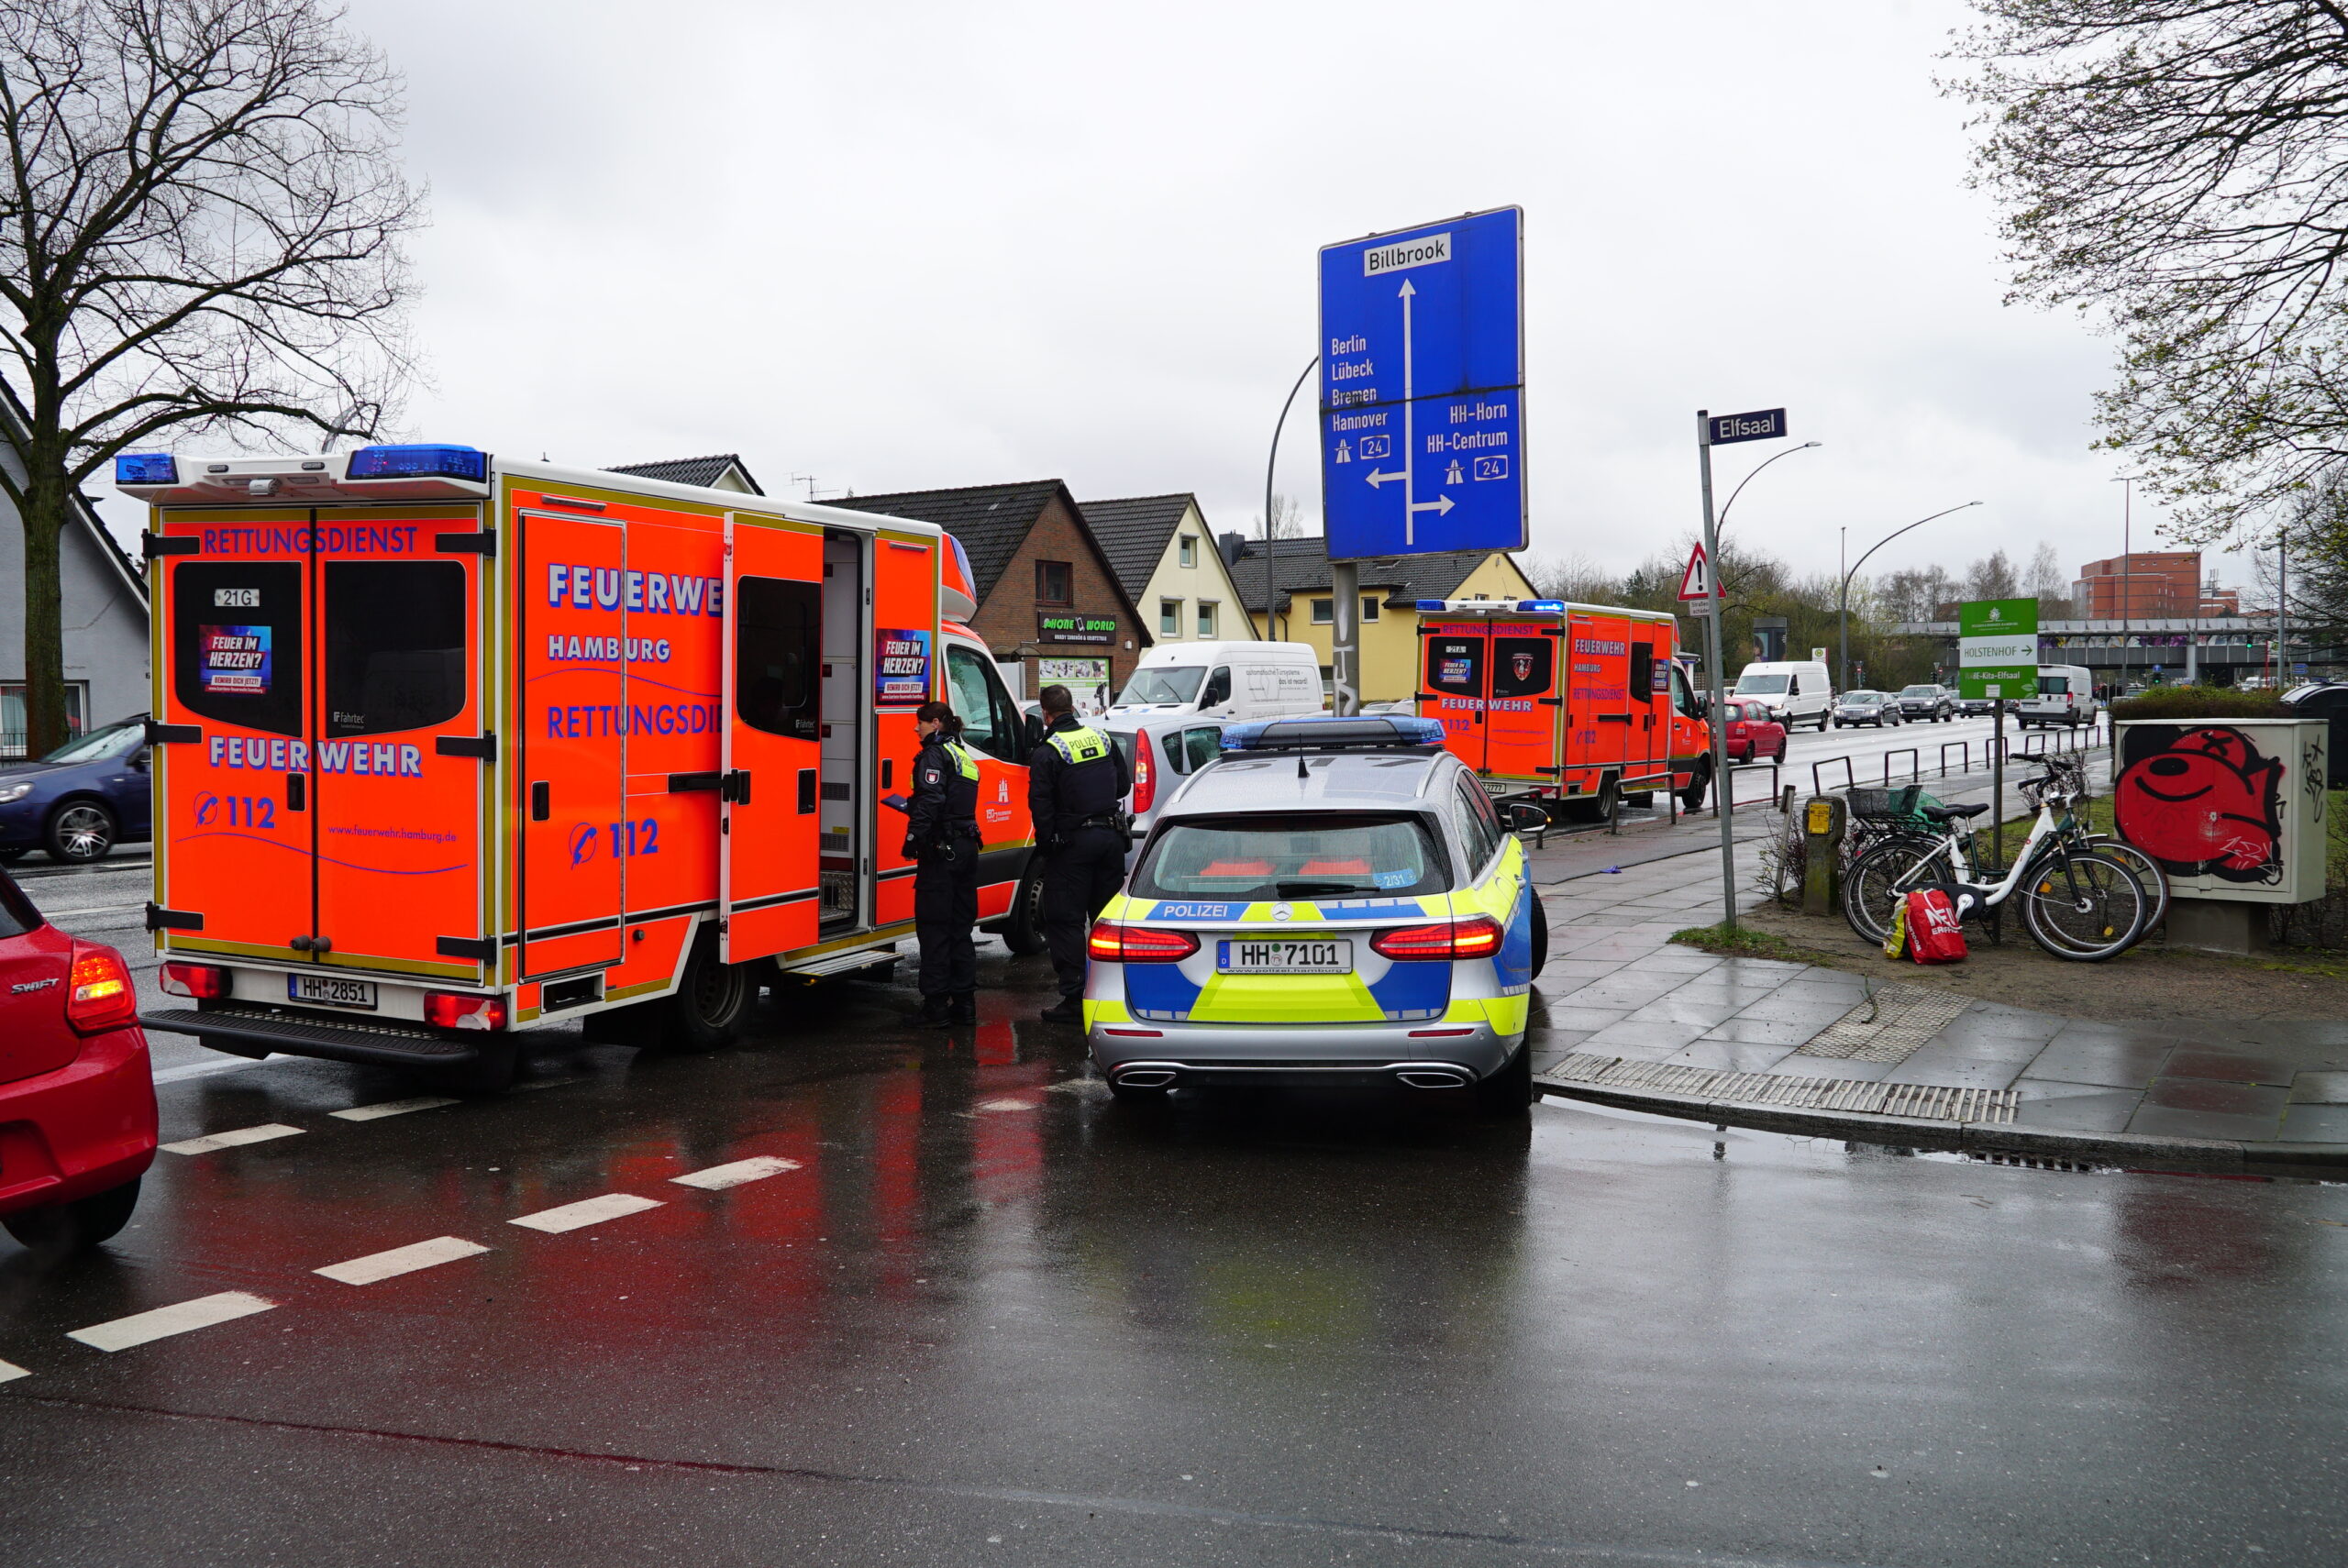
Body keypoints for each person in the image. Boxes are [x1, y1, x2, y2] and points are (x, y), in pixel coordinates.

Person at [1026, 682, 1131, 1023]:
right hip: (1111, 840)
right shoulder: (1101, 739)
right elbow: (1122, 786)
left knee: (1065, 920)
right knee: (1104, 921)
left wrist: (1047, 849)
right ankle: (1113, 991)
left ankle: (1074, 998)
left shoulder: (1047, 751)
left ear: (1046, 714)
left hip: (1073, 846)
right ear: (1071, 708)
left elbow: (1040, 807)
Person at [903, 701, 981, 1026]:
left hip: (942, 851)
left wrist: (913, 838)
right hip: (965, 847)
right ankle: (964, 1005)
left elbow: (932, 799)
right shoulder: (963, 754)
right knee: (960, 930)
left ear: (935, 723)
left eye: (920, 723)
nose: (916, 728)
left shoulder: (934, 754)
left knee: (934, 928)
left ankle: (935, 1008)